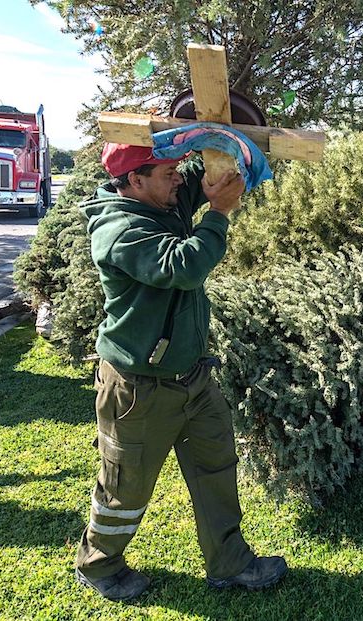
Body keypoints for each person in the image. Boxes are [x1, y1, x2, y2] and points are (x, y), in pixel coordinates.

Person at [74, 143, 287, 601]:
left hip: (193, 377)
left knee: (216, 468)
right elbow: (184, 266)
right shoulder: (120, 229)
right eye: (169, 172)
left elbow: (204, 173)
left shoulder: (161, 196)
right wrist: (219, 214)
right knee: (124, 486)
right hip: (138, 390)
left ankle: (228, 562)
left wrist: (221, 142)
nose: (180, 179)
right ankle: (99, 563)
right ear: (135, 180)